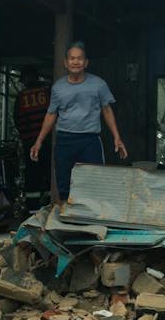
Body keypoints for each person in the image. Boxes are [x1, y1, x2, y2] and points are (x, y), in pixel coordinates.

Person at [29, 41, 128, 200]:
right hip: (65, 140)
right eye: (72, 58)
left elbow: (107, 109)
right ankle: (67, 217)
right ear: (66, 63)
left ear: (86, 62)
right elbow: (51, 114)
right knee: (64, 183)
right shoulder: (58, 88)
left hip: (90, 140)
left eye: (80, 58)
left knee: (94, 180)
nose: (76, 62)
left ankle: (92, 218)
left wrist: (117, 137)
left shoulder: (98, 84)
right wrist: (39, 141)